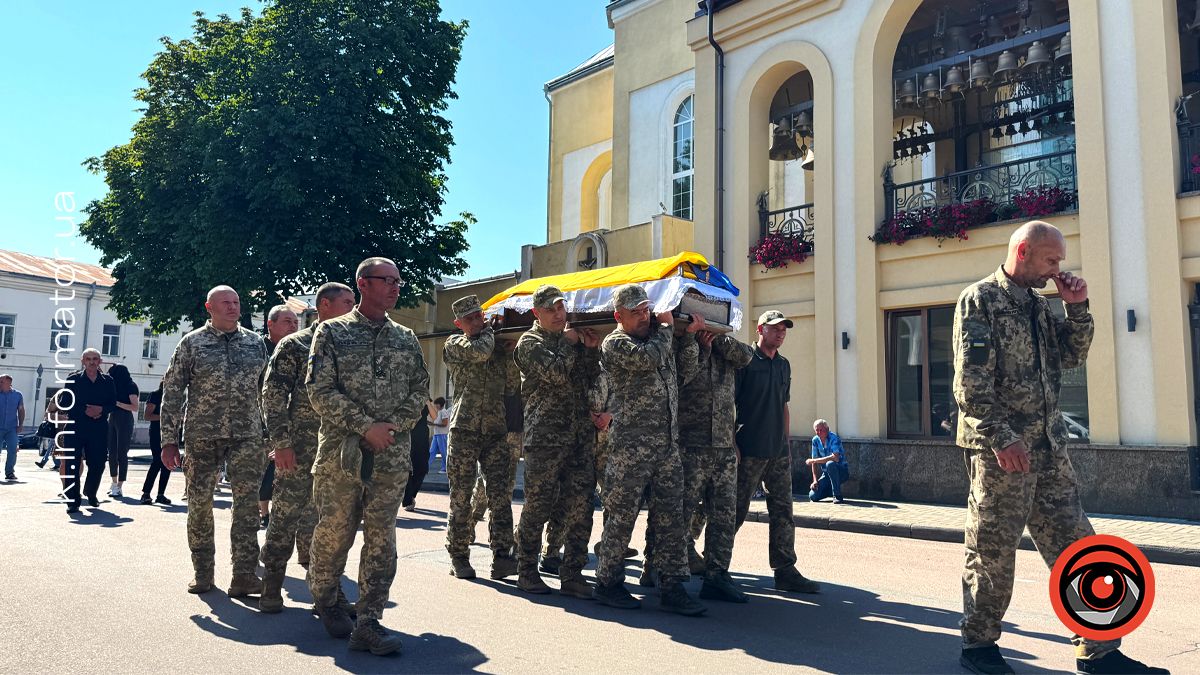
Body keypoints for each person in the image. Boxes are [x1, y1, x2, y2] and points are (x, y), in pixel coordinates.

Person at [953, 222, 1166, 675]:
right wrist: (1001, 437)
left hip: (1049, 451)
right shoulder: (981, 300)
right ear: (1024, 251)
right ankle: (978, 648)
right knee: (992, 551)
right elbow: (970, 384)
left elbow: (1070, 357)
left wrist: (1077, 309)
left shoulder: (1038, 304)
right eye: (1051, 260)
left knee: (1079, 548)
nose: (1057, 269)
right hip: (1001, 455)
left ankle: (1099, 649)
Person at [306, 257, 429, 656]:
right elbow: (319, 391)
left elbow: (419, 388)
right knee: (334, 533)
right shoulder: (331, 332)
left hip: (391, 455)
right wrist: (365, 427)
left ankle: (370, 621)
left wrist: (391, 427)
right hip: (342, 455)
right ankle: (327, 598)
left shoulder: (406, 337)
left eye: (398, 281)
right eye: (386, 280)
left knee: (381, 538)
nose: (395, 288)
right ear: (363, 283)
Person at [592, 283, 705, 616]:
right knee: (622, 517)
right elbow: (647, 359)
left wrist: (688, 341)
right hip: (630, 448)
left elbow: (683, 375)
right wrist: (668, 328)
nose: (644, 317)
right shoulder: (616, 343)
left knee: (672, 517)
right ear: (618, 316)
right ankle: (607, 583)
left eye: (646, 310)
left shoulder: (660, 339)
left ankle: (672, 585)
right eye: (636, 313)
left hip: (666, 446)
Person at [160, 285, 269, 597]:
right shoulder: (192, 343)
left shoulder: (254, 343)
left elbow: (267, 391)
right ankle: (203, 573)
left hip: (247, 435)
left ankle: (244, 575)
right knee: (199, 505)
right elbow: (173, 391)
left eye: (236, 302)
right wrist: (169, 440)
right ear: (209, 307)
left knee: (248, 507)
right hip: (202, 435)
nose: (233, 307)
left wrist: (272, 434)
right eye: (226, 302)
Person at [257, 283, 355, 614]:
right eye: (347, 302)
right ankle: (271, 583)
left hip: (337, 452)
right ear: (324, 305)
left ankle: (327, 592)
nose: (353, 307)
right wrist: (280, 443)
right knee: (284, 516)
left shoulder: (348, 347)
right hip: (298, 450)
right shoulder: (295, 344)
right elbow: (272, 396)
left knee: (331, 524)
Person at [513, 285, 601, 598]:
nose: (558, 314)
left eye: (561, 308)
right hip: (545, 439)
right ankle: (526, 569)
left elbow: (591, 378)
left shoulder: (571, 341)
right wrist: (568, 343)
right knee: (538, 506)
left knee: (581, 506)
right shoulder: (530, 342)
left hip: (579, 436)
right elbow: (556, 373)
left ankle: (573, 574)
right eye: (551, 309)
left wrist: (590, 349)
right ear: (536, 312)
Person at [733, 310, 821, 594]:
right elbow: (728, 405)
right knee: (733, 510)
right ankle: (713, 565)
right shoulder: (745, 361)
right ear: (760, 330)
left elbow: (784, 405)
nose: (781, 333)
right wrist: (732, 444)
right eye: (775, 328)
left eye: (784, 329)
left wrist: (787, 443)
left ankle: (785, 569)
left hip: (777, 451)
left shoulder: (783, 365)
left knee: (783, 510)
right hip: (748, 449)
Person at [443, 295, 519, 580]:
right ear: (459, 323)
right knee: (460, 497)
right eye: (471, 318)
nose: (477, 321)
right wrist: (490, 333)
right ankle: (458, 556)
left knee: (500, 495)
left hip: (495, 431)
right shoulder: (455, 344)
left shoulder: (493, 347)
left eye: (479, 316)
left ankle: (501, 556)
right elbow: (480, 352)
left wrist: (509, 354)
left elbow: (512, 385)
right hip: (464, 430)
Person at [677, 328, 754, 603]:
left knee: (723, 516)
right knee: (680, 513)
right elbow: (680, 375)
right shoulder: (682, 344)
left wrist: (716, 337)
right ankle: (668, 574)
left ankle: (717, 575)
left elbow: (746, 356)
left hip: (722, 446)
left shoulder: (726, 349)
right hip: (691, 444)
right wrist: (694, 341)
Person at [51, 349, 116, 512]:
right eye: (88, 359)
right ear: (83, 361)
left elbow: (113, 403)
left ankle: (90, 492)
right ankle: (72, 501)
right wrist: (85, 410)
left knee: (98, 463)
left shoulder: (108, 381)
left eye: (95, 359)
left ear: (100, 361)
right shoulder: (73, 379)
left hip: (98, 428)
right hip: (76, 427)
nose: (92, 362)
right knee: (72, 464)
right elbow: (65, 402)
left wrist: (100, 410)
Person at [259, 304, 300, 529]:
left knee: (282, 481)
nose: (293, 326)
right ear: (270, 324)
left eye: (295, 322)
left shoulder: (301, 348)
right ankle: (261, 514)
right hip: (259, 429)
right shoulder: (257, 349)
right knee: (260, 480)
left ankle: (271, 518)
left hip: (289, 428)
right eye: (287, 322)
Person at [106, 364, 140, 498]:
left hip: (125, 418)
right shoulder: (113, 386)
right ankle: (114, 483)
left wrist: (117, 403)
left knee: (122, 453)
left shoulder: (130, 385)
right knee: (112, 452)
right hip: (113, 417)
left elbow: (135, 407)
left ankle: (119, 485)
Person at [140, 381, 171, 505]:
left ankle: (161, 494)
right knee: (157, 461)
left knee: (168, 463)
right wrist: (164, 417)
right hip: (156, 432)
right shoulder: (155, 395)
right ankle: (146, 493)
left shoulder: (173, 397)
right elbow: (147, 416)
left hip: (169, 432)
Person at [402, 401, 437, 512]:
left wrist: (427, 401)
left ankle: (411, 496)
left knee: (421, 468)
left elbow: (434, 416)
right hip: (407, 434)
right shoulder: (406, 393)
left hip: (422, 435)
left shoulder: (426, 398)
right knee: (406, 468)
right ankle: (408, 499)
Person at [807, 419, 848, 504]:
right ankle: (829, 490)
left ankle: (837, 495)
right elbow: (814, 462)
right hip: (826, 474)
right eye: (817, 430)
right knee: (813, 496)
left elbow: (835, 457)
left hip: (841, 471)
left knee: (830, 464)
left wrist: (814, 460)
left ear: (827, 429)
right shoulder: (815, 440)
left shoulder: (834, 438)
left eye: (821, 430)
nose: (819, 432)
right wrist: (815, 480)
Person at [0, 374, 25, 481]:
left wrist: (21, 424)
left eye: (1, 381)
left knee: (13, 451)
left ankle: (9, 472)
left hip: (12, 428)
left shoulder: (18, 395)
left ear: (9, 383)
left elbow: (21, 410)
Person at [428, 397, 450, 473]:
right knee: (431, 451)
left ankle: (446, 468)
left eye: (436, 404)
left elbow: (445, 423)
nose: (435, 406)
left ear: (440, 404)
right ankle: (425, 467)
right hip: (437, 434)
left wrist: (433, 424)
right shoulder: (439, 412)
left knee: (444, 453)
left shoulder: (444, 412)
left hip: (442, 434)